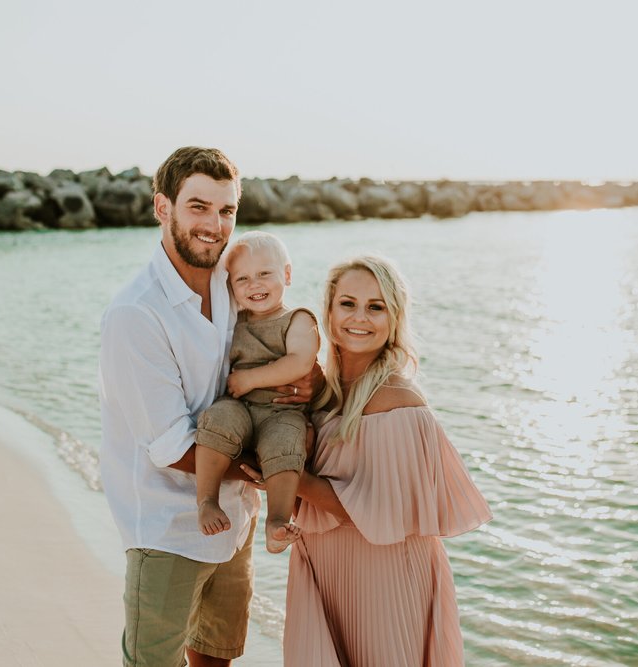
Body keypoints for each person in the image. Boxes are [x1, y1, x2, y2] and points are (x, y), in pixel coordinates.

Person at [98, 147, 312, 667]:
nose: (215, 226)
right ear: (162, 208)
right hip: (168, 527)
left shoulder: (234, 280)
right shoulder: (135, 313)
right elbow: (170, 446)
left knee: (216, 658)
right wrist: (270, 473)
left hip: (235, 520)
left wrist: (304, 383)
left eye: (227, 210)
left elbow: (279, 340)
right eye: (198, 207)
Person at [277, 256, 493, 666]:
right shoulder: (320, 392)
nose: (360, 317)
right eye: (348, 303)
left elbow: (375, 511)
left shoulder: (401, 405)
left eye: (376, 307)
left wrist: (291, 478)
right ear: (328, 310)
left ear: (394, 318)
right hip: (325, 569)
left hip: (384, 578)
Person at [194, 230, 320, 554]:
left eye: (265, 274)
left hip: (281, 411)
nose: (254, 285)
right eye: (242, 279)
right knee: (216, 420)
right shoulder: (233, 319)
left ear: (287, 274)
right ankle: (207, 500)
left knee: (286, 443)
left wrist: (249, 379)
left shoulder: (298, 319)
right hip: (239, 406)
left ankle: (276, 520)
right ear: (230, 287)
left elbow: (300, 362)